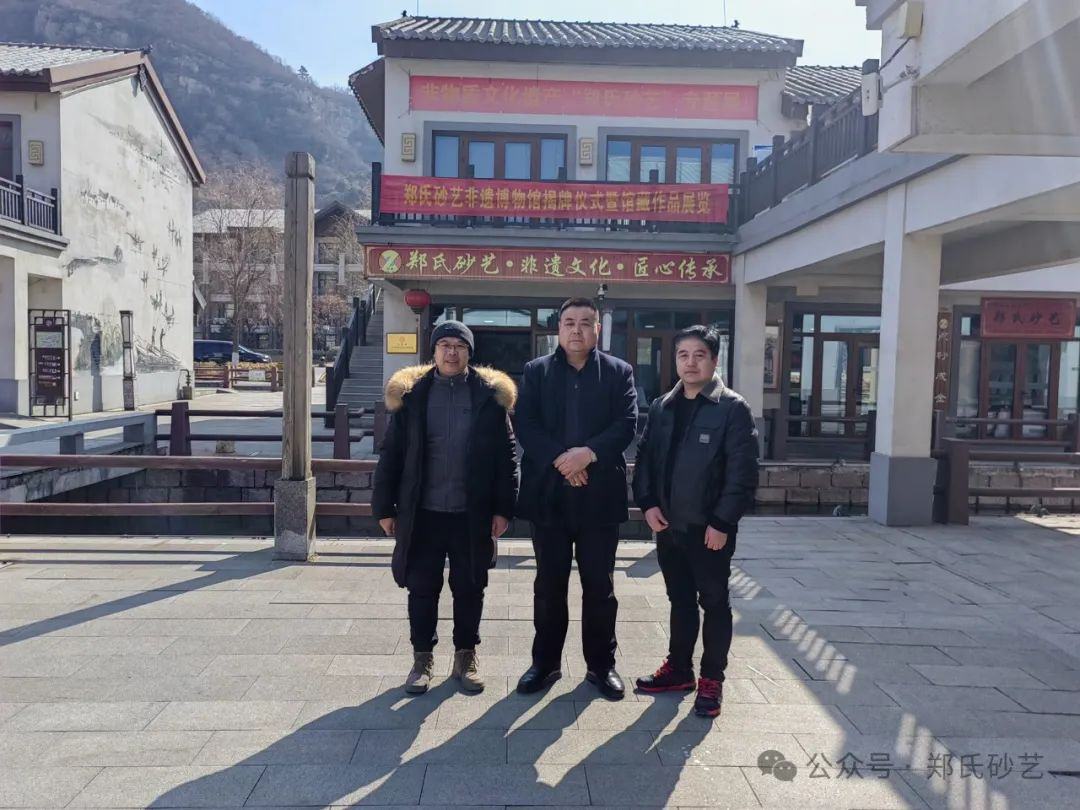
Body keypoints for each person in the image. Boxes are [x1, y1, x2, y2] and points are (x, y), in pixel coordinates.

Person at [372, 320, 518, 695]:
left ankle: (466, 657)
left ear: (470, 352)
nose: (452, 352)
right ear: (434, 351)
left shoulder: (488, 398)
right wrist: (384, 508)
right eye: (445, 345)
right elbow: (391, 455)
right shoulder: (412, 396)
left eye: (460, 346)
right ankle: (422, 659)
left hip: (472, 513)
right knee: (422, 588)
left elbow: (507, 458)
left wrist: (503, 509)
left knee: (470, 588)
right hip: (423, 513)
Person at [513, 297, 638, 700]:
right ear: (559, 329)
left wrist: (588, 454)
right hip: (549, 495)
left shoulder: (619, 372)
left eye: (586, 322)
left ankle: (601, 666)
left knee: (599, 587)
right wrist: (563, 460)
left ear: (597, 329)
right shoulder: (536, 371)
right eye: (569, 322)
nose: (577, 329)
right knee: (549, 585)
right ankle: (545, 664)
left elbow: (627, 423)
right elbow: (526, 424)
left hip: (599, 497)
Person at [631, 324, 759, 717]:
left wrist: (722, 523)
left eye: (699, 355)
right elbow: (646, 459)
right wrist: (647, 503)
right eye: (683, 355)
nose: (690, 363)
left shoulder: (732, 409)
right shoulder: (662, 406)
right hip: (669, 527)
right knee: (680, 600)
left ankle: (711, 679)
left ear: (714, 360)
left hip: (709, 531)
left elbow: (742, 475)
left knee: (715, 602)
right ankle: (679, 669)